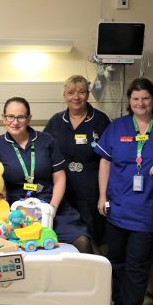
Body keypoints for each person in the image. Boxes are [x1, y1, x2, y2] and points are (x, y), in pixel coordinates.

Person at [94, 78, 153, 305]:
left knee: (138, 264)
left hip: (150, 208)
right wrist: (102, 196)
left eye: (145, 98)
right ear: (129, 102)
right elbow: (105, 163)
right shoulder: (117, 127)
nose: (140, 103)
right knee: (116, 261)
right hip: (118, 206)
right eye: (135, 99)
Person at [0, 96, 91, 253]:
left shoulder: (46, 140)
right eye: (10, 117)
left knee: (82, 241)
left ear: (29, 119)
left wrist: (52, 208)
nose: (15, 122)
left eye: (20, 117)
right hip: (17, 209)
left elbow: (60, 177)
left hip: (48, 202)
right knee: (20, 247)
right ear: (3, 118)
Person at [44, 75, 110, 250]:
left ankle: (96, 273)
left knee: (93, 237)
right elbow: (45, 152)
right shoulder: (56, 121)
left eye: (81, 92)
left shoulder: (100, 120)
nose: (76, 97)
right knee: (67, 237)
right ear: (64, 95)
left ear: (88, 94)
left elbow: (109, 158)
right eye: (71, 92)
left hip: (91, 190)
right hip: (62, 190)